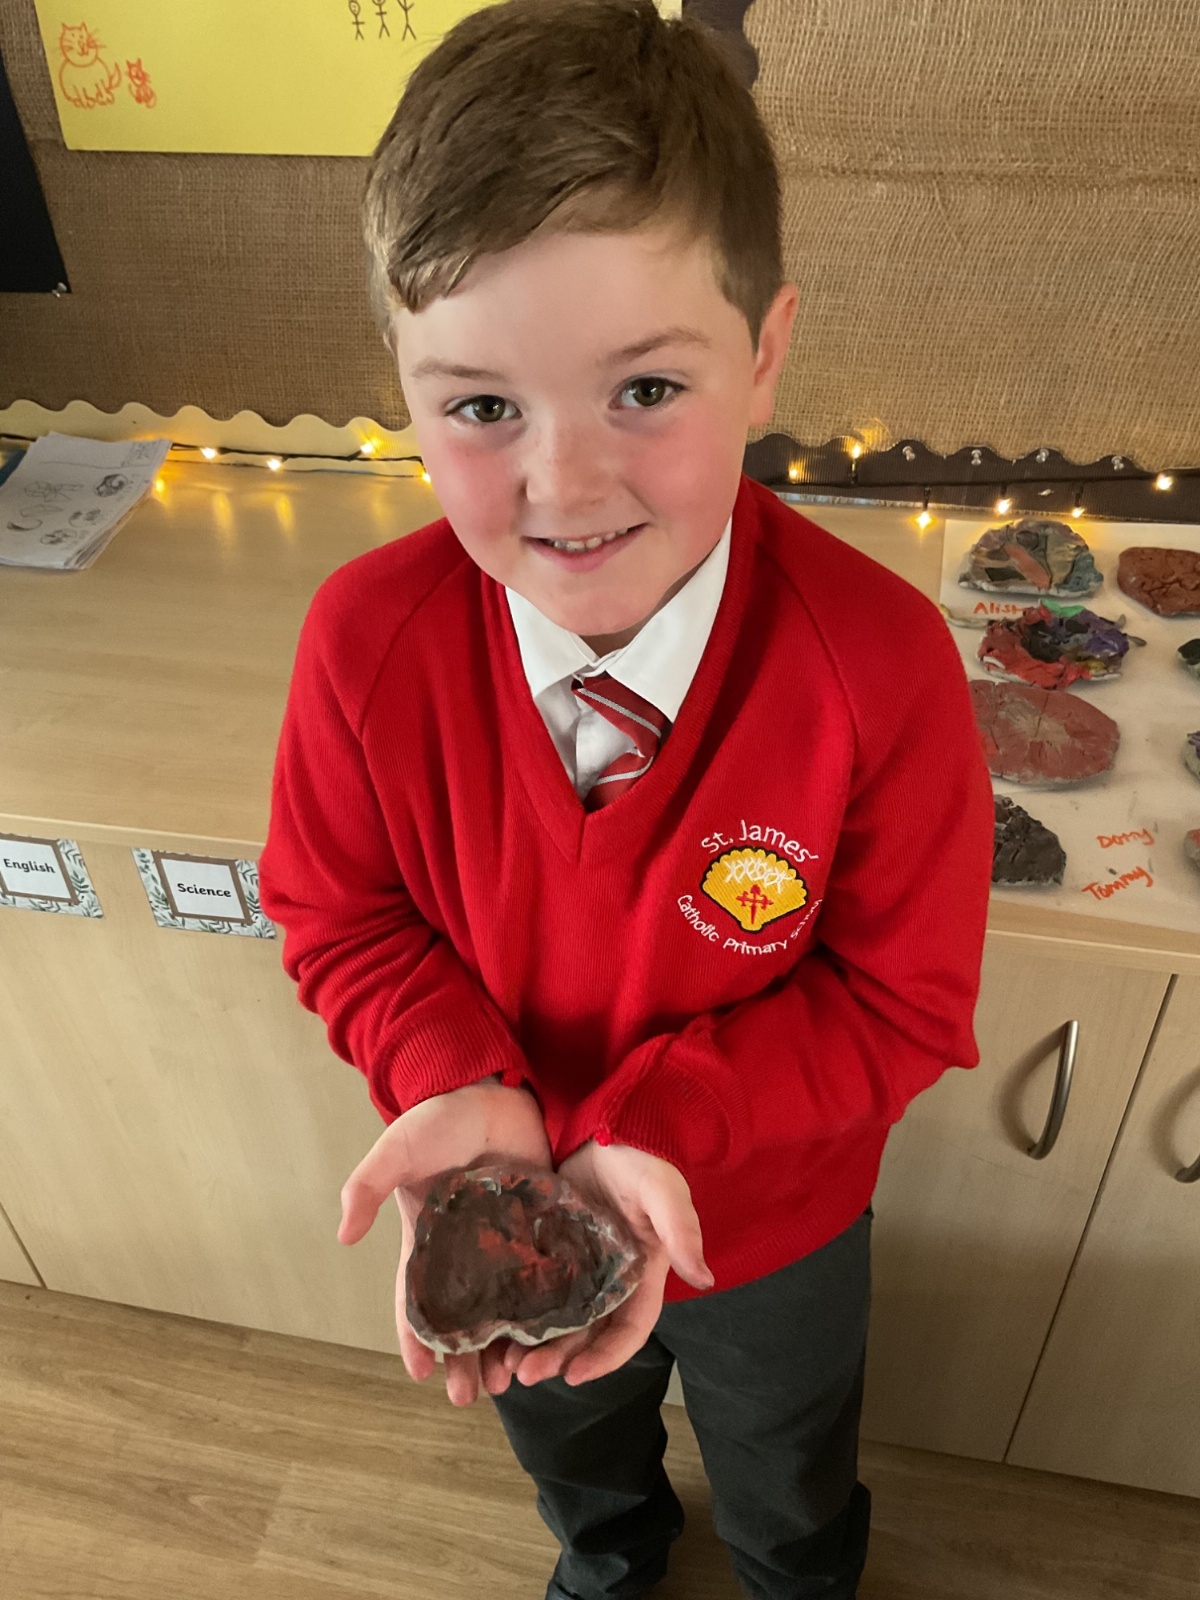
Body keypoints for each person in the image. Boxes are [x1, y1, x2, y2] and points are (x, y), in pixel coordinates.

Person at [257, 2, 994, 1596]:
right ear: (404, 386)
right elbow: (337, 912)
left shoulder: (880, 665)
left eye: (646, 389)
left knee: (786, 1456)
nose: (566, 485)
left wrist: (659, 1132)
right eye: (481, 407)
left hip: (774, 1224)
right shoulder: (364, 643)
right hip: (504, 1198)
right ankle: (610, 1565)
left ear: (766, 351)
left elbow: (903, 1001)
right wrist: (458, 1080)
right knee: (569, 1437)